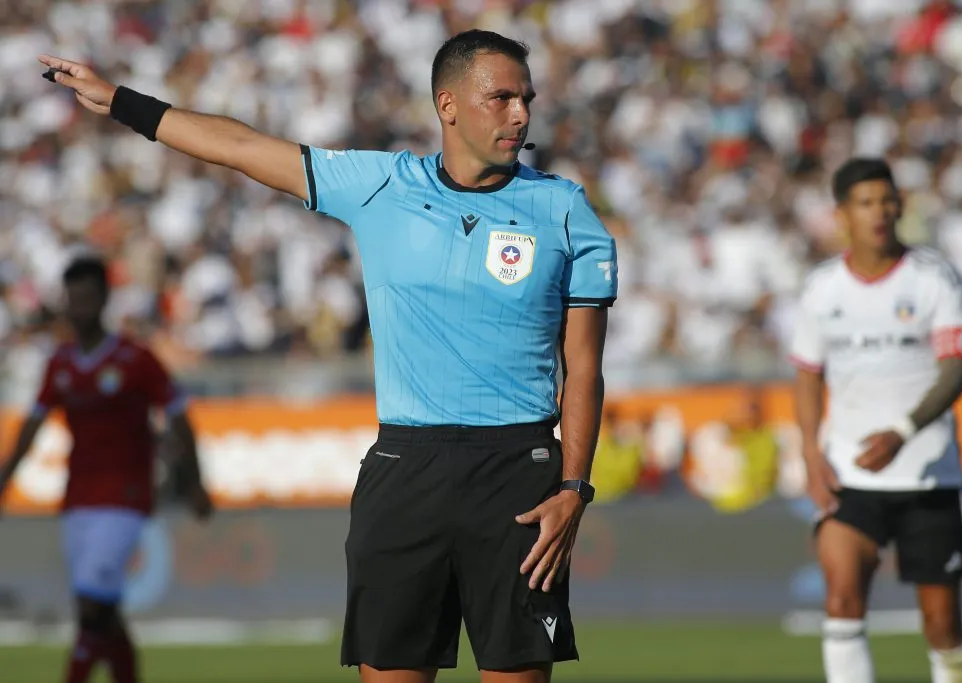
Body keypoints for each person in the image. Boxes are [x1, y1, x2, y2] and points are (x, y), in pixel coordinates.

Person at [35, 27, 617, 683]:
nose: (521, 114)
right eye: (502, 97)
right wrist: (119, 101)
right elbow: (242, 147)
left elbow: (586, 367)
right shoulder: (380, 185)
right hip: (405, 469)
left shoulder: (563, 209)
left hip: (517, 473)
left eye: (526, 98)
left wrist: (574, 486)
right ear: (448, 104)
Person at [790, 158, 962, 683]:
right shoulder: (822, 288)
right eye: (866, 202)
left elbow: (956, 370)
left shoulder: (933, 278)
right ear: (842, 215)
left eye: (887, 200)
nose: (879, 211)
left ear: (900, 206)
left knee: (943, 627)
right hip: (849, 474)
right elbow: (807, 375)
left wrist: (903, 430)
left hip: (927, 473)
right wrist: (810, 453)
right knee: (842, 599)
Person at [0, 255, 213, 683]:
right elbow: (33, 424)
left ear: (103, 301)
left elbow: (178, 417)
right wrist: (4, 480)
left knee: (91, 609)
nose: (79, 310)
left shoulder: (136, 359)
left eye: (87, 300)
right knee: (104, 616)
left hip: (125, 498)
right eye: (72, 301)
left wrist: (195, 483)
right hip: (78, 499)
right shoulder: (60, 363)